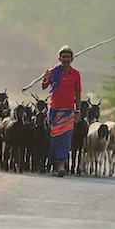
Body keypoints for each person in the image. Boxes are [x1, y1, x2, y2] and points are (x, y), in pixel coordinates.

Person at [41, 45, 81, 177]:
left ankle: (61, 166)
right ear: (59, 58)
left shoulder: (75, 74)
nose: (66, 59)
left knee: (66, 138)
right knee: (54, 138)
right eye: (63, 57)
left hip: (68, 111)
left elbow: (78, 93)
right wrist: (46, 77)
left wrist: (78, 110)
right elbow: (44, 86)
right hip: (54, 110)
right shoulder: (53, 71)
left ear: (72, 59)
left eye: (68, 57)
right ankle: (54, 164)